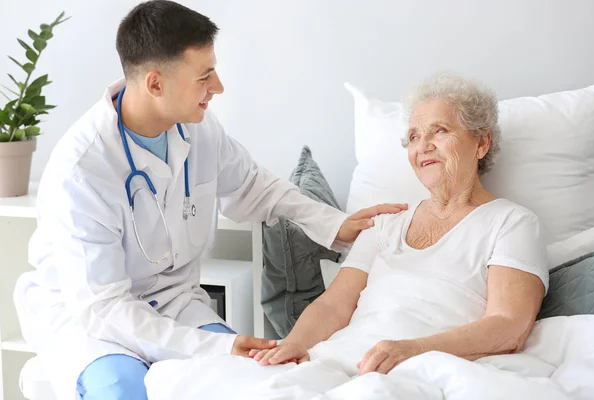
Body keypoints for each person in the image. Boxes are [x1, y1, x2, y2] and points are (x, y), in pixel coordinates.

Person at [12, 1, 406, 399]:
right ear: (155, 84)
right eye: (204, 76)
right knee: (123, 389)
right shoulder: (82, 170)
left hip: (174, 302)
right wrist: (217, 345)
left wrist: (334, 223)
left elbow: (253, 186)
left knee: (238, 379)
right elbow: (106, 307)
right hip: (91, 319)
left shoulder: (196, 129)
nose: (217, 87)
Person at [251, 72, 549, 377]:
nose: (423, 146)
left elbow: (508, 325)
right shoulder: (384, 225)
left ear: (481, 143)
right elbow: (333, 306)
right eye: (414, 136)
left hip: (429, 369)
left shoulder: (512, 223)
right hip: (341, 361)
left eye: (440, 131)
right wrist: (294, 344)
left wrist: (413, 350)